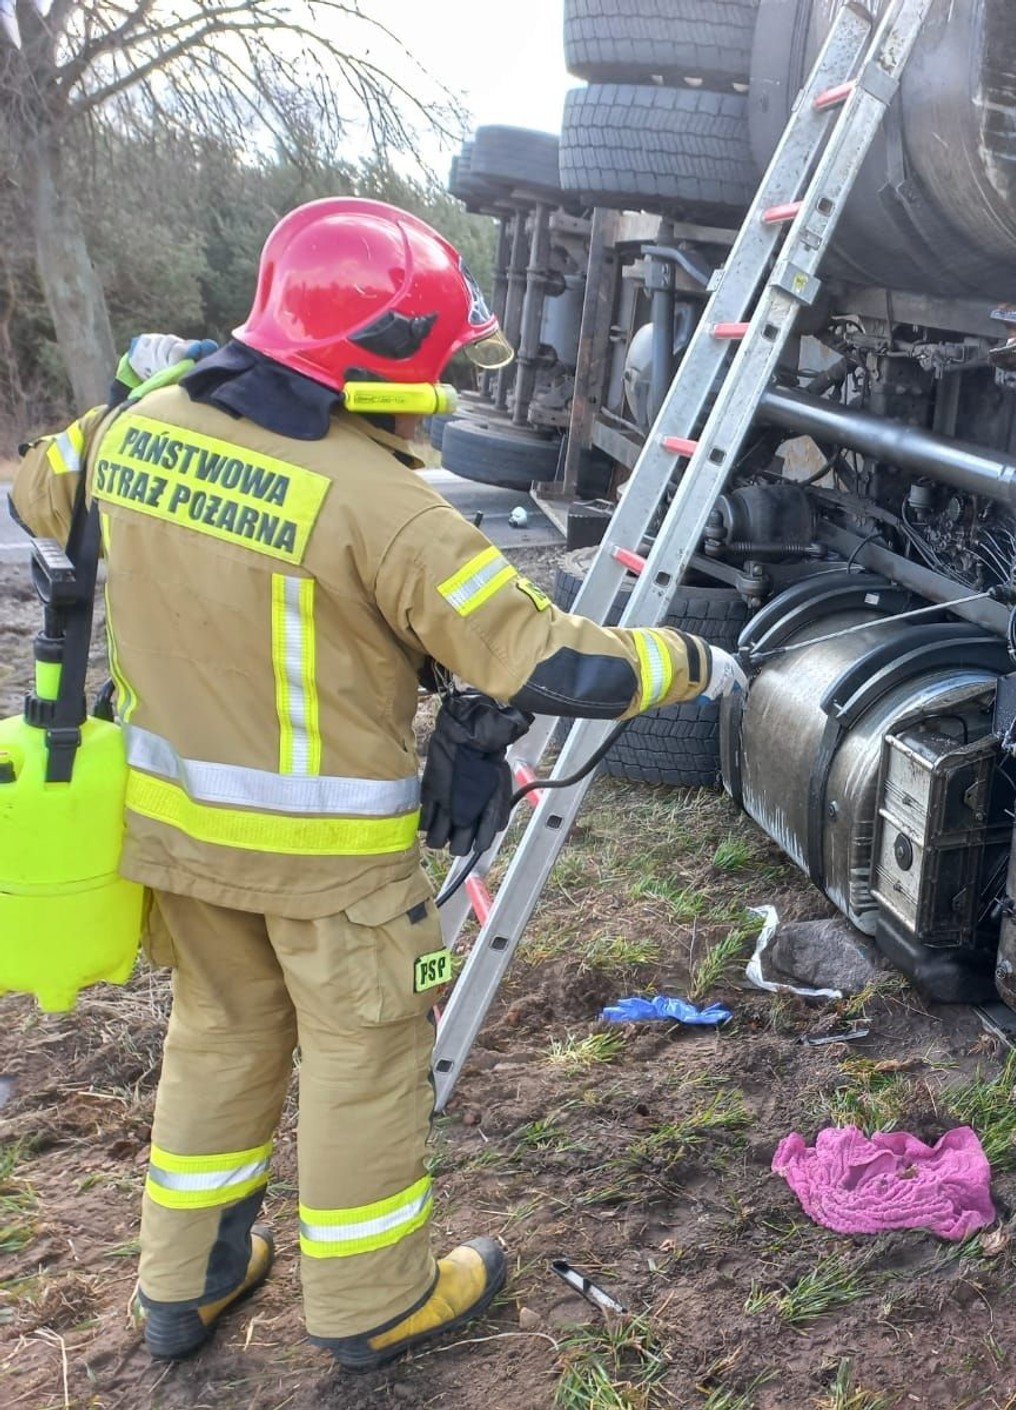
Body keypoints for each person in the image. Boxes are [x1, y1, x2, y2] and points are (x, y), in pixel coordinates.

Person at [7, 197, 743, 1371]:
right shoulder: (383, 505)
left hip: (174, 838)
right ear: (385, 358)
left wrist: (166, 388)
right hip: (330, 866)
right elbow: (545, 659)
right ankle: (370, 1303)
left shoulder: (132, 428)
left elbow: (31, 493)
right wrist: (692, 660)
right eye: (440, 356)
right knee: (364, 1054)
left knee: (220, 1035)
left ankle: (182, 1283)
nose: (448, 379)